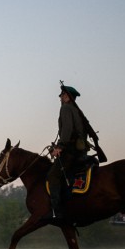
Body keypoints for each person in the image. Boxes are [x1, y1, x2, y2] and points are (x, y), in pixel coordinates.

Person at [43, 85, 88, 223]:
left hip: (70, 150)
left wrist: (60, 147)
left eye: (61, 95)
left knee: (53, 175)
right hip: (79, 150)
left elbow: (67, 130)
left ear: (67, 96)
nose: (60, 98)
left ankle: (57, 212)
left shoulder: (66, 108)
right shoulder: (76, 110)